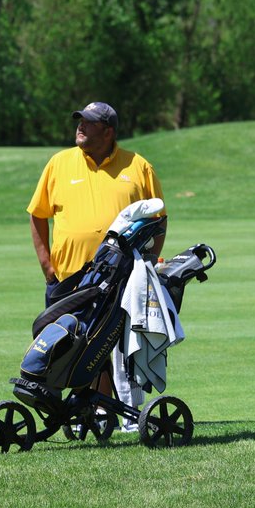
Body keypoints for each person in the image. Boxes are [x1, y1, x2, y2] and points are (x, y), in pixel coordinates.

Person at [27, 101, 165, 429]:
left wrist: (148, 261)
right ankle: (74, 412)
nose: (80, 127)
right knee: (65, 344)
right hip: (67, 276)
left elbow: (158, 218)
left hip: (118, 276)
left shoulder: (137, 166)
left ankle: (99, 411)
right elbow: (38, 213)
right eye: (79, 121)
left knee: (103, 344)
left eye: (88, 123)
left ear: (108, 132)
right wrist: (47, 265)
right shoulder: (59, 163)